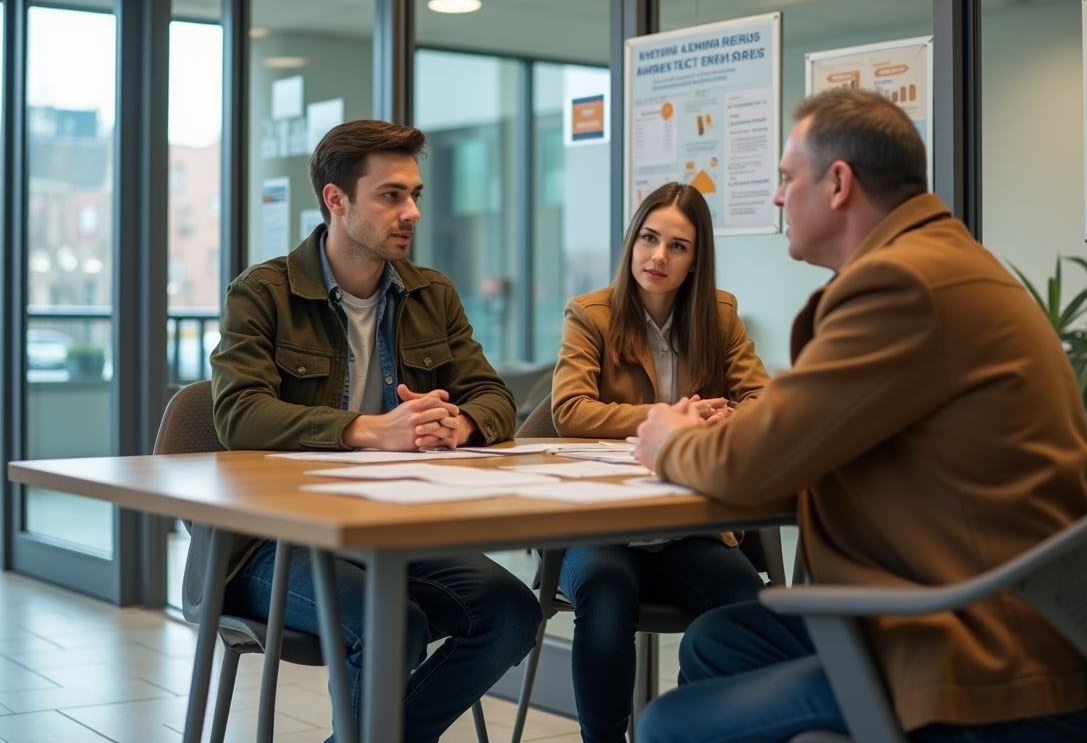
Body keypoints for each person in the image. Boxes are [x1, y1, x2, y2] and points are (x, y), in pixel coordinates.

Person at [631, 90, 1087, 743]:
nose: (776, 198)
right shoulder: (942, 264)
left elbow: (750, 464)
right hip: (1003, 618)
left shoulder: (902, 285)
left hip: (986, 663)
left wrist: (670, 440)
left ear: (838, 183)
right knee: (725, 639)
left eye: (785, 178)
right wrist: (745, 438)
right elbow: (795, 437)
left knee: (669, 723)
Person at [203, 119, 541, 743]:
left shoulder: (431, 294)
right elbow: (237, 415)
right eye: (391, 195)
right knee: (394, 624)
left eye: (415, 194)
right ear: (337, 200)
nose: (411, 211)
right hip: (270, 540)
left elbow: (495, 398)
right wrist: (364, 430)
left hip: (389, 529)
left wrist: (459, 421)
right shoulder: (262, 293)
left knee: (511, 611)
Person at [551, 182, 771, 743]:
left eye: (678, 246)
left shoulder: (719, 317)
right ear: (631, 242)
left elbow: (763, 403)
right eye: (649, 238)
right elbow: (570, 410)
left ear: (697, 260)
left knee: (743, 593)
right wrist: (671, 418)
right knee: (603, 596)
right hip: (600, 520)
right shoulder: (591, 314)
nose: (658, 257)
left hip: (684, 526)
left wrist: (722, 424)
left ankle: (689, 730)